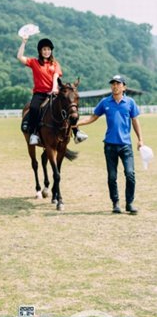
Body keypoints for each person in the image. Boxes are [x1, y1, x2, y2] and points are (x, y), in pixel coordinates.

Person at [77, 74, 143, 214]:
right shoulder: (105, 102)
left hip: (126, 145)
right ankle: (115, 203)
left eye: (118, 84)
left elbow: (135, 121)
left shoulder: (130, 102)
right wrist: (76, 124)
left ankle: (129, 203)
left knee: (130, 174)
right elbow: (92, 117)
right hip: (110, 145)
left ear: (124, 87)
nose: (115, 86)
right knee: (112, 176)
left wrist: (140, 139)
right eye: (113, 83)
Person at [17, 36, 88, 145]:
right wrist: (23, 42)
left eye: (49, 49)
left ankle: (76, 131)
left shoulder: (55, 64)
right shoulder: (34, 62)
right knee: (34, 107)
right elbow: (19, 56)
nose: (47, 52)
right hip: (40, 93)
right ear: (40, 51)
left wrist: (54, 88)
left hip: (54, 91)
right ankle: (34, 134)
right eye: (44, 49)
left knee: (68, 105)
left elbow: (55, 76)